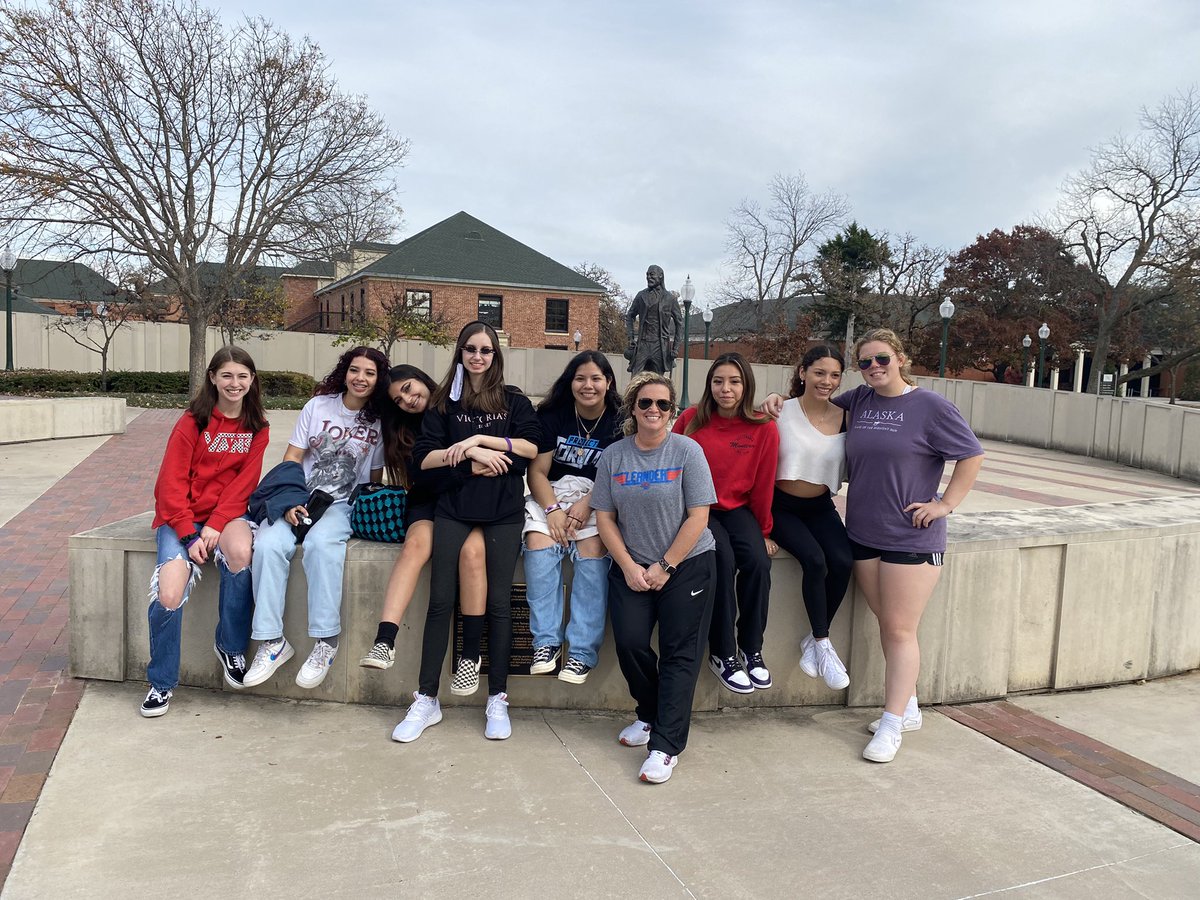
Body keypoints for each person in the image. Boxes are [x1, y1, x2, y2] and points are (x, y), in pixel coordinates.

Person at [836, 329, 983, 763]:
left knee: (900, 629)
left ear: (900, 358)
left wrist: (946, 504)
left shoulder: (930, 406)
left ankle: (891, 723)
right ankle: (910, 705)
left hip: (911, 536)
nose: (873, 368)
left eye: (881, 358)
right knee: (887, 622)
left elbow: (971, 455)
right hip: (862, 533)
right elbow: (815, 406)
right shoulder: (859, 401)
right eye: (864, 363)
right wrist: (773, 402)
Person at [392, 322, 540, 743]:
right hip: (454, 510)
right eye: (470, 349)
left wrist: (482, 439)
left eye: (486, 350)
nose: (478, 356)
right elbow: (423, 459)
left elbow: (531, 448)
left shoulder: (513, 400)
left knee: (498, 603)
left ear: (496, 355)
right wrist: (467, 454)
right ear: (460, 352)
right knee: (440, 602)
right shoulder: (443, 404)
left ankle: (497, 697)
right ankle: (426, 699)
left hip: (504, 513)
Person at [592, 372, 717, 784]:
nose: (653, 411)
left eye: (662, 405)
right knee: (629, 642)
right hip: (632, 566)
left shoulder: (687, 451)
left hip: (687, 564)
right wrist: (628, 565)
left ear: (672, 411)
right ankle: (649, 715)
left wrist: (666, 566)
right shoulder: (614, 456)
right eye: (645, 403)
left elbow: (699, 516)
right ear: (633, 408)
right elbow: (604, 517)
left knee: (681, 654)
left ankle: (665, 747)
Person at [244, 346, 390, 690]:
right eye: (356, 370)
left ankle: (326, 642)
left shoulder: (379, 421)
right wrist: (290, 502)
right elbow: (293, 457)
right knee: (266, 545)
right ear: (345, 372)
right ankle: (272, 641)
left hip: (341, 505)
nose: (361, 378)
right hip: (299, 497)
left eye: (370, 373)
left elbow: (373, 478)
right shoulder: (318, 406)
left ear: (378, 379)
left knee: (322, 545)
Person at [142, 346, 270, 716]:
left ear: (252, 380)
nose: (235, 383)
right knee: (168, 595)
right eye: (227, 375)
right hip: (181, 517)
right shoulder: (192, 422)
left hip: (226, 516)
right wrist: (188, 534)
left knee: (242, 554)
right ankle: (161, 683)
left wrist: (215, 525)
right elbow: (170, 484)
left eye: (242, 376)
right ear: (213, 378)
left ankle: (230, 645)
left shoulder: (257, 427)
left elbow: (244, 486)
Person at [359, 365, 487, 671]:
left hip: (469, 500)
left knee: (472, 552)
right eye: (398, 401)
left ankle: (470, 654)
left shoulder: (460, 406)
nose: (408, 401)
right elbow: (420, 478)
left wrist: (456, 470)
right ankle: (384, 640)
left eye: (407, 389)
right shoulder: (403, 430)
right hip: (429, 499)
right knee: (416, 545)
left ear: (420, 377)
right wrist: (464, 468)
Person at [672, 353, 779, 694]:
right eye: (718, 381)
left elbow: (763, 484)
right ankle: (723, 653)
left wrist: (763, 531)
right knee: (721, 559)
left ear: (746, 385)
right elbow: (670, 461)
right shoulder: (690, 420)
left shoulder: (763, 427)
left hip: (737, 510)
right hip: (697, 508)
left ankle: (751, 647)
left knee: (758, 563)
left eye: (734, 381)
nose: (725, 389)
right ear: (709, 385)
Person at [522, 351, 622, 684]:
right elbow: (537, 470)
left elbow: (619, 474)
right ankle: (546, 644)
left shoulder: (621, 419)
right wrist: (552, 512)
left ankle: (580, 652)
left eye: (596, 378)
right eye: (580, 378)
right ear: (571, 382)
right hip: (552, 494)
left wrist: (588, 505)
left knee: (594, 551)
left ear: (608, 382)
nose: (588, 385)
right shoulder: (552, 414)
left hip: (600, 497)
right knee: (537, 542)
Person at [771, 345, 855, 692]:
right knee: (814, 560)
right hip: (780, 505)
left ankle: (812, 641)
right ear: (802, 372)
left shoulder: (846, 416)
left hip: (820, 505)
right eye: (819, 372)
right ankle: (823, 643)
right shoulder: (779, 410)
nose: (827, 381)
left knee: (843, 560)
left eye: (834, 375)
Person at [624, 265, 682, 375]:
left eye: (652, 275)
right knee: (635, 378)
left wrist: (675, 348)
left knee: (658, 380)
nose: (648, 277)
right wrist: (630, 338)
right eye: (647, 275)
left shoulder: (669, 298)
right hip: (643, 344)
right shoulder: (641, 295)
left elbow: (679, 323)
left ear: (660, 276)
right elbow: (630, 316)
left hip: (660, 346)